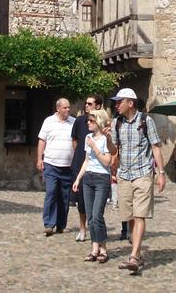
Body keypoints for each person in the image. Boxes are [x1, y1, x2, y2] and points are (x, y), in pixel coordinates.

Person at [110, 87, 165, 274]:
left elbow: (156, 147)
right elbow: (114, 150)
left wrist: (161, 173)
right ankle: (138, 253)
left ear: (130, 103)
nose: (117, 105)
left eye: (120, 102)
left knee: (140, 214)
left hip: (143, 173)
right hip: (124, 175)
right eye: (116, 102)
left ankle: (133, 256)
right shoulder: (116, 123)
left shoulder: (145, 121)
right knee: (130, 217)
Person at [72, 108, 112, 263]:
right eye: (88, 120)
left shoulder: (106, 138)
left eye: (91, 120)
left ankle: (104, 249)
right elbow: (87, 160)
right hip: (88, 178)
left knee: (97, 215)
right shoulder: (88, 137)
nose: (88, 123)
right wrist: (78, 179)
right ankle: (95, 248)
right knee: (90, 216)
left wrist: (95, 147)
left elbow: (107, 162)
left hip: (101, 178)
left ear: (99, 122)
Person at [37, 98, 75, 236]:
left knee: (64, 196)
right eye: (65, 108)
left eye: (69, 107)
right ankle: (49, 224)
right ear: (58, 108)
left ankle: (61, 224)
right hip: (51, 164)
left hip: (67, 165)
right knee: (51, 192)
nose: (68, 110)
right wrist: (39, 158)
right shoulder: (48, 121)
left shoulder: (73, 122)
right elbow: (42, 140)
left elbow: (76, 141)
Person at [70, 94, 104, 241]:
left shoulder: (102, 122)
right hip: (81, 162)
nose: (86, 106)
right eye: (86, 103)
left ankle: (95, 230)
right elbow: (74, 140)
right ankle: (83, 228)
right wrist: (80, 157)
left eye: (90, 104)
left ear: (97, 106)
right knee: (81, 200)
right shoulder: (79, 121)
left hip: (99, 167)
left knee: (96, 202)